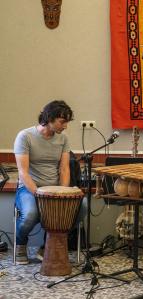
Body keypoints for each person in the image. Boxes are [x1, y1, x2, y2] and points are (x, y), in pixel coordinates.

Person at [14, 100, 85, 264]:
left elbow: (65, 169)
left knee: (83, 206)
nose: (65, 126)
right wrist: (39, 195)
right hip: (28, 189)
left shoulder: (63, 139)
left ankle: (47, 246)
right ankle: (21, 245)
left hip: (54, 189)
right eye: (62, 121)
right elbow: (23, 172)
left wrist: (62, 193)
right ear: (49, 118)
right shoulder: (25, 136)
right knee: (30, 215)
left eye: (67, 122)